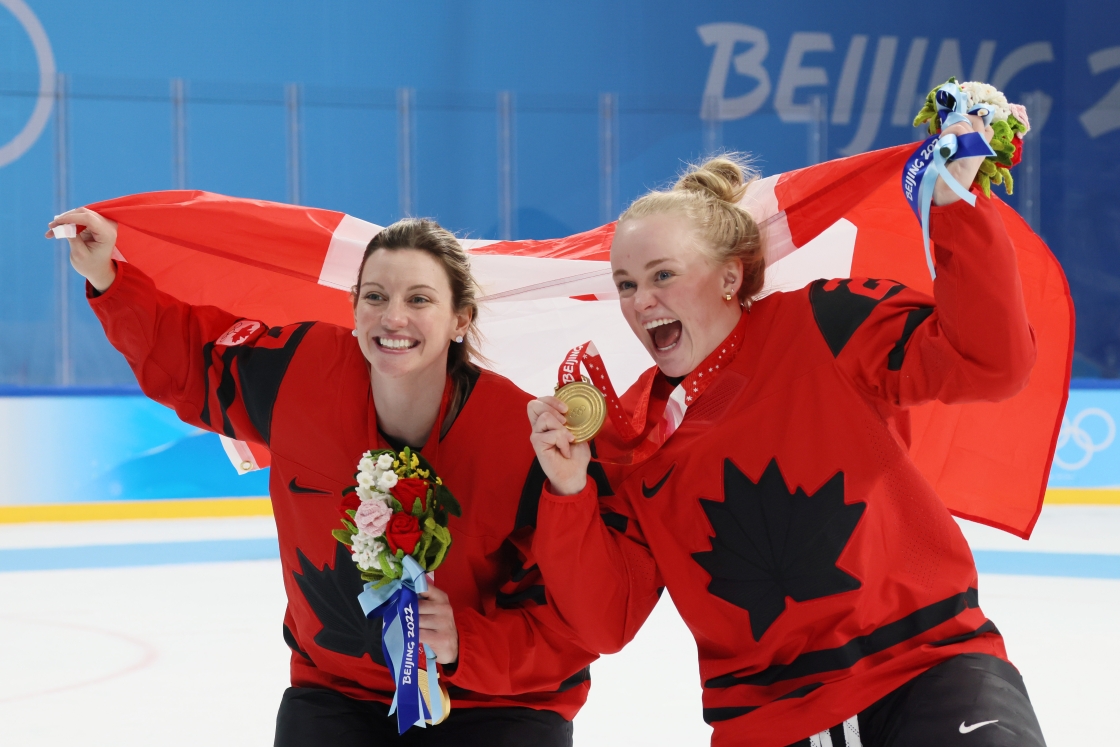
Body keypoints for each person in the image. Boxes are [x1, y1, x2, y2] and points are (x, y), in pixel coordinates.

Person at [527, 115, 1048, 746]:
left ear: (729, 277)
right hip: (767, 720)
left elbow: (989, 363)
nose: (641, 301)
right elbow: (605, 622)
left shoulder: (823, 323)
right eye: (626, 285)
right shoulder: (629, 434)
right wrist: (568, 490)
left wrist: (953, 207)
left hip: (930, 671)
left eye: (663, 275)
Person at [47, 210, 595, 747]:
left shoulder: (522, 439)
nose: (393, 317)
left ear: (461, 318)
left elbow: (574, 622)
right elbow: (195, 360)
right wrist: (109, 278)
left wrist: (466, 644)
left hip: (499, 704)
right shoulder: (302, 372)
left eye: (419, 299)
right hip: (338, 692)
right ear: (353, 307)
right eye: (375, 296)